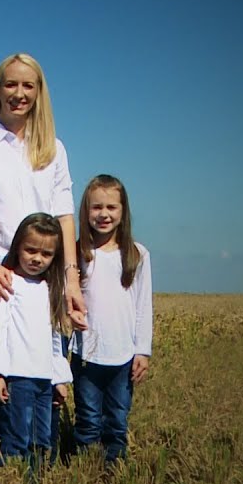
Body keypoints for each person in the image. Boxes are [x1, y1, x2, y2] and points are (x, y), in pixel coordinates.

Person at [0, 53, 86, 442]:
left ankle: (43, 445)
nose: (19, 93)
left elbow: (64, 215)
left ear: (39, 92)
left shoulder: (54, 149)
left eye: (28, 85)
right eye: (11, 84)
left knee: (48, 357)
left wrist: (71, 278)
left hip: (47, 277)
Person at [0, 213, 73, 468]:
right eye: (30, 250)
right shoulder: (7, 282)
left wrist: (59, 378)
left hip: (44, 378)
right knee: (15, 436)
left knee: (41, 439)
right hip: (17, 377)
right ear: (18, 245)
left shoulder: (52, 288)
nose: (37, 258)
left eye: (46, 254)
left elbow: (55, 337)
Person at [71, 174, 152, 465]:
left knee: (117, 420)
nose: (104, 214)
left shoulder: (137, 254)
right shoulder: (78, 253)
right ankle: (84, 472)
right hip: (86, 354)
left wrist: (142, 350)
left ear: (123, 211)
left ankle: (112, 472)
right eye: (96, 207)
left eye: (111, 207)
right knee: (88, 420)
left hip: (123, 356)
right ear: (85, 211)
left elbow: (143, 305)